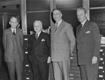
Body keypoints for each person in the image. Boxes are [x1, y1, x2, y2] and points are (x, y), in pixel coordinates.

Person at [50, 9, 75, 80]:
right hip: (55, 57)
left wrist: (69, 53)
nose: (55, 16)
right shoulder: (53, 27)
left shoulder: (67, 25)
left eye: (57, 14)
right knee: (57, 78)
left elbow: (72, 40)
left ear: (61, 15)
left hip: (64, 57)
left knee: (66, 77)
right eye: (54, 14)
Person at [76, 8, 100, 80]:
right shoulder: (78, 28)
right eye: (78, 15)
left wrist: (95, 56)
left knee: (91, 78)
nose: (79, 16)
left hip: (91, 59)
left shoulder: (92, 25)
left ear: (86, 14)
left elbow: (97, 41)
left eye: (81, 14)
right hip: (82, 59)